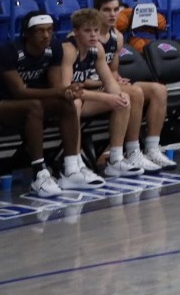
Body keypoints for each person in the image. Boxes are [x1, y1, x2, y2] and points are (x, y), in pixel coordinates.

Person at [0, 11, 103, 197]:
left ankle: (71, 169)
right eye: (40, 31)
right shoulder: (8, 51)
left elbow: (55, 87)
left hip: (33, 103)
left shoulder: (54, 47)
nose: (46, 35)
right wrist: (62, 90)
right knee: (34, 106)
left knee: (67, 104)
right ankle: (39, 173)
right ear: (26, 34)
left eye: (49, 30)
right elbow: (19, 92)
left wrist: (68, 92)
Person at [59, 9, 151, 179]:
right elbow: (68, 90)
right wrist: (107, 97)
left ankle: (116, 159)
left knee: (123, 99)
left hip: (83, 99)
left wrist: (117, 96)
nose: (93, 35)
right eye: (87, 31)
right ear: (76, 32)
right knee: (75, 104)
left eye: (96, 30)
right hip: (60, 102)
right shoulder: (68, 49)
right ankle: (75, 164)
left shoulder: (97, 48)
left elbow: (109, 82)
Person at [93, 0, 176, 169]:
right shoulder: (87, 35)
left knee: (159, 90)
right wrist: (110, 82)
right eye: (107, 10)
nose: (112, 14)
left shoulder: (117, 37)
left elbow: (113, 70)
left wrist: (116, 78)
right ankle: (132, 151)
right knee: (135, 92)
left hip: (108, 84)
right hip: (91, 88)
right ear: (96, 12)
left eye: (116, 10)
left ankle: (152, 148)